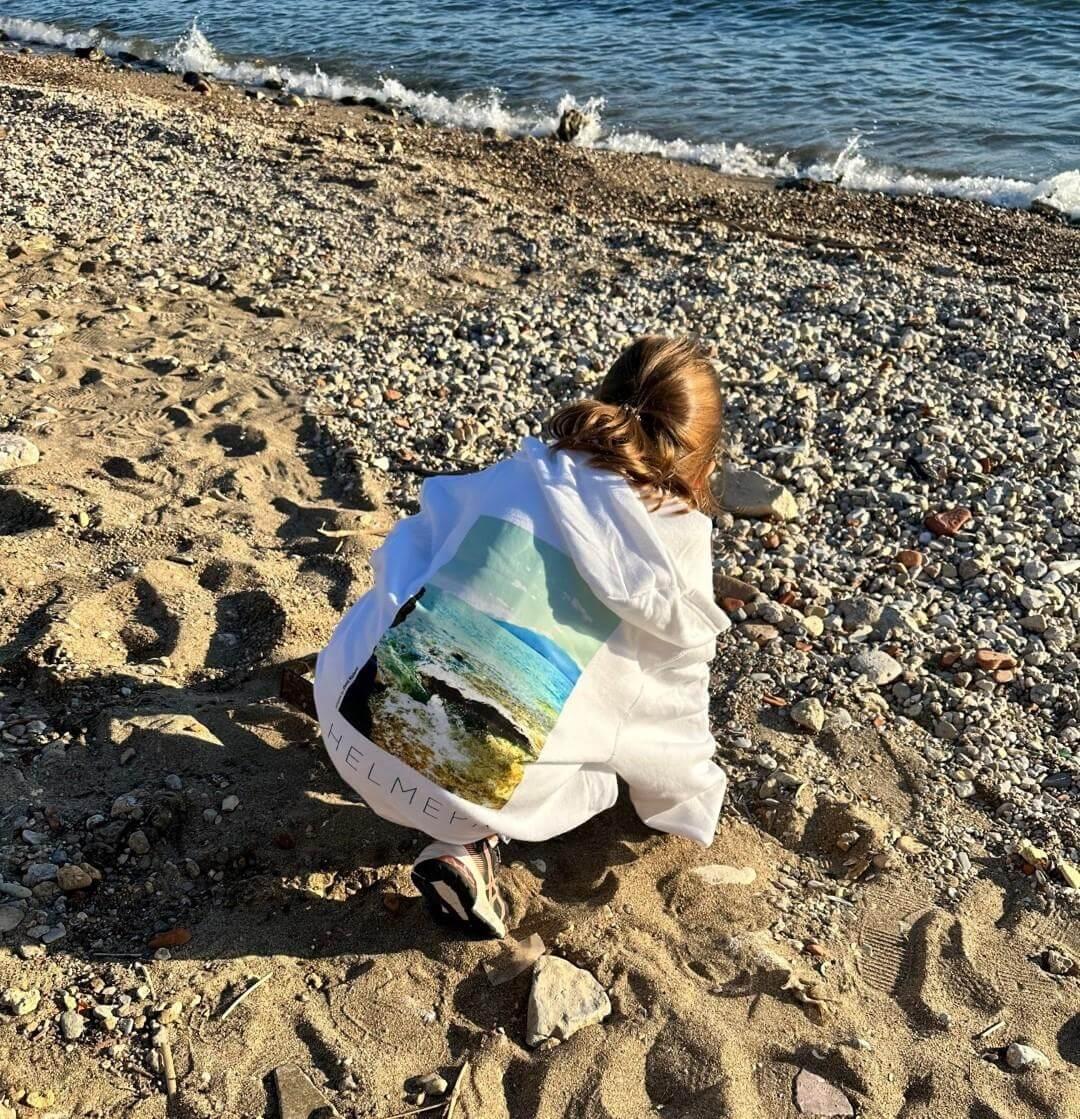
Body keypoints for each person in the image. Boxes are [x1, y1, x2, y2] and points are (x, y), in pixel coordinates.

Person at [314, 335, 729, 938]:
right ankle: (469, 848)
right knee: (600, 776)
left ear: (606, 401)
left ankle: (439, 800)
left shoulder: (527, 472)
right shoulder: (674, 558)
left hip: (343, 725)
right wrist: (689, 811)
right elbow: (672, 721)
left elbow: (406, 549)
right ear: (701, 457)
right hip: (461, 805)